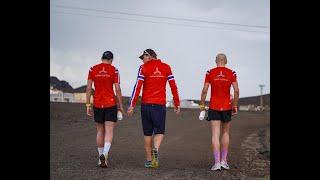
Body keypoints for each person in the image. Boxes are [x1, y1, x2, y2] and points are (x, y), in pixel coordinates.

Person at [127, 49, 180, 168]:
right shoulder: (166, 67)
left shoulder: (143, 68)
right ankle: (155, 149)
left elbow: (137, 87)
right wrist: (177, 103)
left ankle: (149, 160)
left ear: (150, 56)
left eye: (143, 57)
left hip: (146, 105)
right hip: (159, 105)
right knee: (159, 131)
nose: (142, 60)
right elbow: (173, 86)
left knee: (147, 133)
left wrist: (132, 104)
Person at [199, 53, 239, 171]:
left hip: (214, 106)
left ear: (216, 61)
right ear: (226, 61)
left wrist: (202, 105)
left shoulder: (209, 73)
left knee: (215, 134)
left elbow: (205, 90)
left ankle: (216, 163)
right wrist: (235, 105)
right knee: (225, 133)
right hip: (227, 106)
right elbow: (236, 90)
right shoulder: (232, 73)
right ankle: (224, 161)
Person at [86, 51, 125, 168]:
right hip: (110, 104)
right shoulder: (114, 70)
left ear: (101, 58)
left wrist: (88, 104)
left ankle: (100, 158)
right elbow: (117, 89)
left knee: (100, 131)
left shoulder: (93, 69)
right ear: (111, 60)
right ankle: (105, 154)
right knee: (109, 131)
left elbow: (88, 88)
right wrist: (121, 105)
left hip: (97, 104)